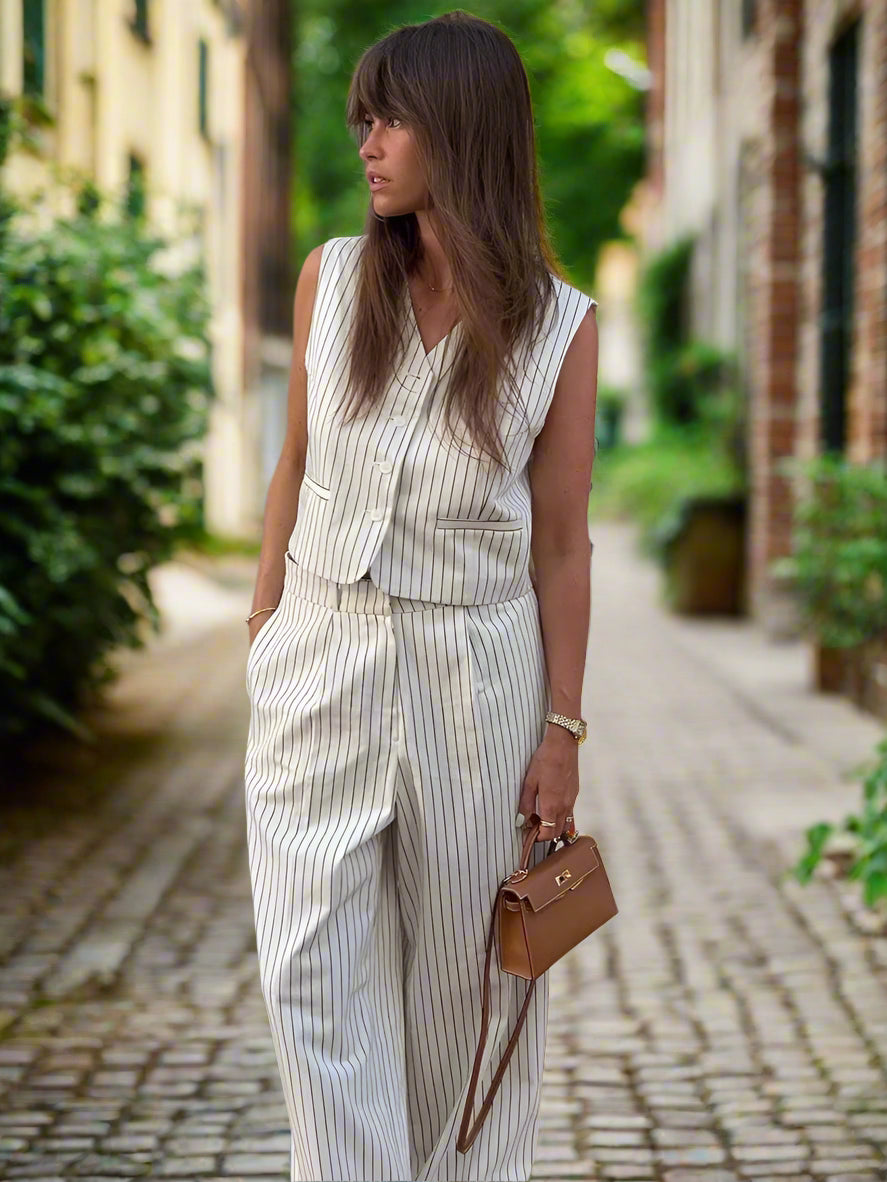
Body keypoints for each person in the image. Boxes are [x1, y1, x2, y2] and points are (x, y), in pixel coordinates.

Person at [243, 10, 598, 1181]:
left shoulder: (556, 327)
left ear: (464, 128)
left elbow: (559, 545)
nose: (368, 141)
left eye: (391, 117)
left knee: (463, 1002)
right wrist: (264, 630)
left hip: (474, 676)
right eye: (363, 118)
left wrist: (560, 728)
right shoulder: (331, 279)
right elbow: (293, 463)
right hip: (319, 659)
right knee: (308, 979)